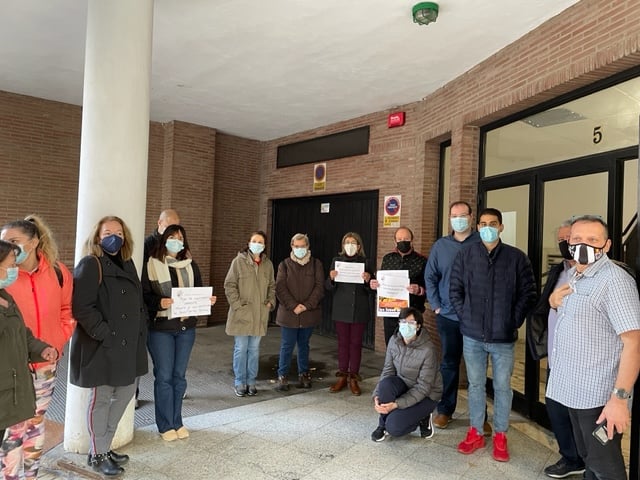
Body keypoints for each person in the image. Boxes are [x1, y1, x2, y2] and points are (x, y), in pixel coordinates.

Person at [547, 215, 640, 479]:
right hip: (574, 390)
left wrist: (619, 400)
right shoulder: (575, 276)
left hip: (598, 397)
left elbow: (633, 342)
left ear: (606, 245)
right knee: (590, 460)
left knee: (606, 468)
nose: (583, 245)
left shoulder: (614, 281)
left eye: (592, 239)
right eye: (577, 239)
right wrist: (554, 302)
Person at [449, 207, 536, 462]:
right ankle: (476, 431)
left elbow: (528, 293)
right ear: (477, 227)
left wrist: (513, 320)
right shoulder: (466, 255)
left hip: (503, 337)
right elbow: (455, 290)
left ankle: (500, 434)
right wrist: (466, 316)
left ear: (501, 227)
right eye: (484, 223)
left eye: (493, 223)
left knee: (502, 387)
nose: (488, 227)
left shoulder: (516, 258)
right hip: (472, 335)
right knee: (475, 385)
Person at [69, 215, 148, 476]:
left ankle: (102, 445)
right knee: (101, 401)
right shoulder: (91, 264)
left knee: (126, 394)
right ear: (97, 237)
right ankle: (99, 453)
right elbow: (82, 307)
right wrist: (105, 333)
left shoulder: (128, 263)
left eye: (119, 233)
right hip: (103, 345)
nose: (114, 237)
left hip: (129, 345)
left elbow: (137, 302)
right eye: (108, 233)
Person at [0, 215, 75, 480]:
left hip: (44, 364)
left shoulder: (57, 272)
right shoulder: (5, 277)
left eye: (14, 241)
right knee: (12, 429)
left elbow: (67, 310)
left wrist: (56, 341)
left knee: (35, 423)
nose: (8, 248)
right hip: (11, 368)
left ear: (33, 242)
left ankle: (30, 475)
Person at [142, 224, 216, 441]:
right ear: (164, 239)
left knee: (179, 377)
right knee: (164, 377)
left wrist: (207, 300)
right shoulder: (151, 265)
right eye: (172, 237)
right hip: (161, 329)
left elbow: (198, 291)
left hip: (185, 329)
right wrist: (159, 302)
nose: (177, 241)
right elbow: (144, 296)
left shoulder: (191, 266)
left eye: (180, 237)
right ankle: (165, 425)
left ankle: (177, 421)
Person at [527, 221, 585, 479]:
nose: (565, 244)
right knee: (556, 408)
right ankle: (571, 458)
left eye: (569, 238)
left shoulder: (593, 273)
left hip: (582, 359)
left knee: (582, 414)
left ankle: (589, 460)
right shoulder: (558, 271)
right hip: (556, 356)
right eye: (561, 240)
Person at [424, 201, 483, 431]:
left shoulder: (482, 242)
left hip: (476, 317)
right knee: (449, 363)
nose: (458, 219)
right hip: (448, 316)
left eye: (462, 215)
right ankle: (445, 410)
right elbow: (430, 277)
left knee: (477, 367)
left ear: (471, 217)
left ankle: (480, 416)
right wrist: (436, 305)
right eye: (454, 216)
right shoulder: (441, 246)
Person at [0, 240, 58, 471]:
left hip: (14, 387)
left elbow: (21, 333)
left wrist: (41, 348)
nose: (15, 270)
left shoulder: (5, 297)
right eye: (11, 265)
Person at [371, 307, 442, 442]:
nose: (406, 326)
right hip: (404, 384)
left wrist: (396, 404)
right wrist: (377, 395)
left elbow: (423, 388)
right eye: (403, 322)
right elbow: (388, 371)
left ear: (418, 326)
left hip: (427, 395)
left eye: (411, 323)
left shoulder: (428, 350)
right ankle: (382, 424)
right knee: (385, 385)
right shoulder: (394, 341)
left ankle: (423, 417)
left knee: (394, 427)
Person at [224, 230, 276, 397]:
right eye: (254, 241)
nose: (257, 244)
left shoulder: (268, 264)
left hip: (259, 314)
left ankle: (251, 381)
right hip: (242, 314)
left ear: (264, 245)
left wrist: (270, 302)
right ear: (248, 243)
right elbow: (229, 285)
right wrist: (237, 305)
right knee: (241, 348)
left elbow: (272, 286)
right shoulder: (238, 262)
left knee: (254, 349)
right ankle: (240, 381)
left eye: (260, 242)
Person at [274, 233, 324, 391]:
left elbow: (319, 287)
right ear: (292, 246)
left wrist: (306, 305)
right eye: (297, 246)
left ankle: (304, 374)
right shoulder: (284, 265)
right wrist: (293, 306)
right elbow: (280, 288)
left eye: (302, 246)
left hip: (308, 314)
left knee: (304, 345)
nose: (300, 249)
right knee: (287, 345)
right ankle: (283, 375)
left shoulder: (316, 264)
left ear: (308, 246)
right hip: (289, 314)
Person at [325, 232, 374, 396]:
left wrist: (368, 280)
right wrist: (331, 278)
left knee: (356, 344)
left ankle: (354, 377)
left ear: (359, 246)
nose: (350, 245)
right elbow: (328, 287)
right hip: (341, 309)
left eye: (353, 243)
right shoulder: (336, 261)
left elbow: (372, 289)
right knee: (343, 344)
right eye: (347, 242)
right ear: (343, 245)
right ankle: (342, 376)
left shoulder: (365, 262)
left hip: (359, 309)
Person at [369, 226, 428, 346]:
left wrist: (419, 290)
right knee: (391, 346)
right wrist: (375, 285)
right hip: (390, 312)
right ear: (395, 241)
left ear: (412, 240)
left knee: (411, 348)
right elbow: (382, 284)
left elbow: (429, 288)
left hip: (412, 314)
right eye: (399, 239)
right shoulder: (387, 258)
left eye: (406, 239)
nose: (403, 242)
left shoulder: (422, 260)